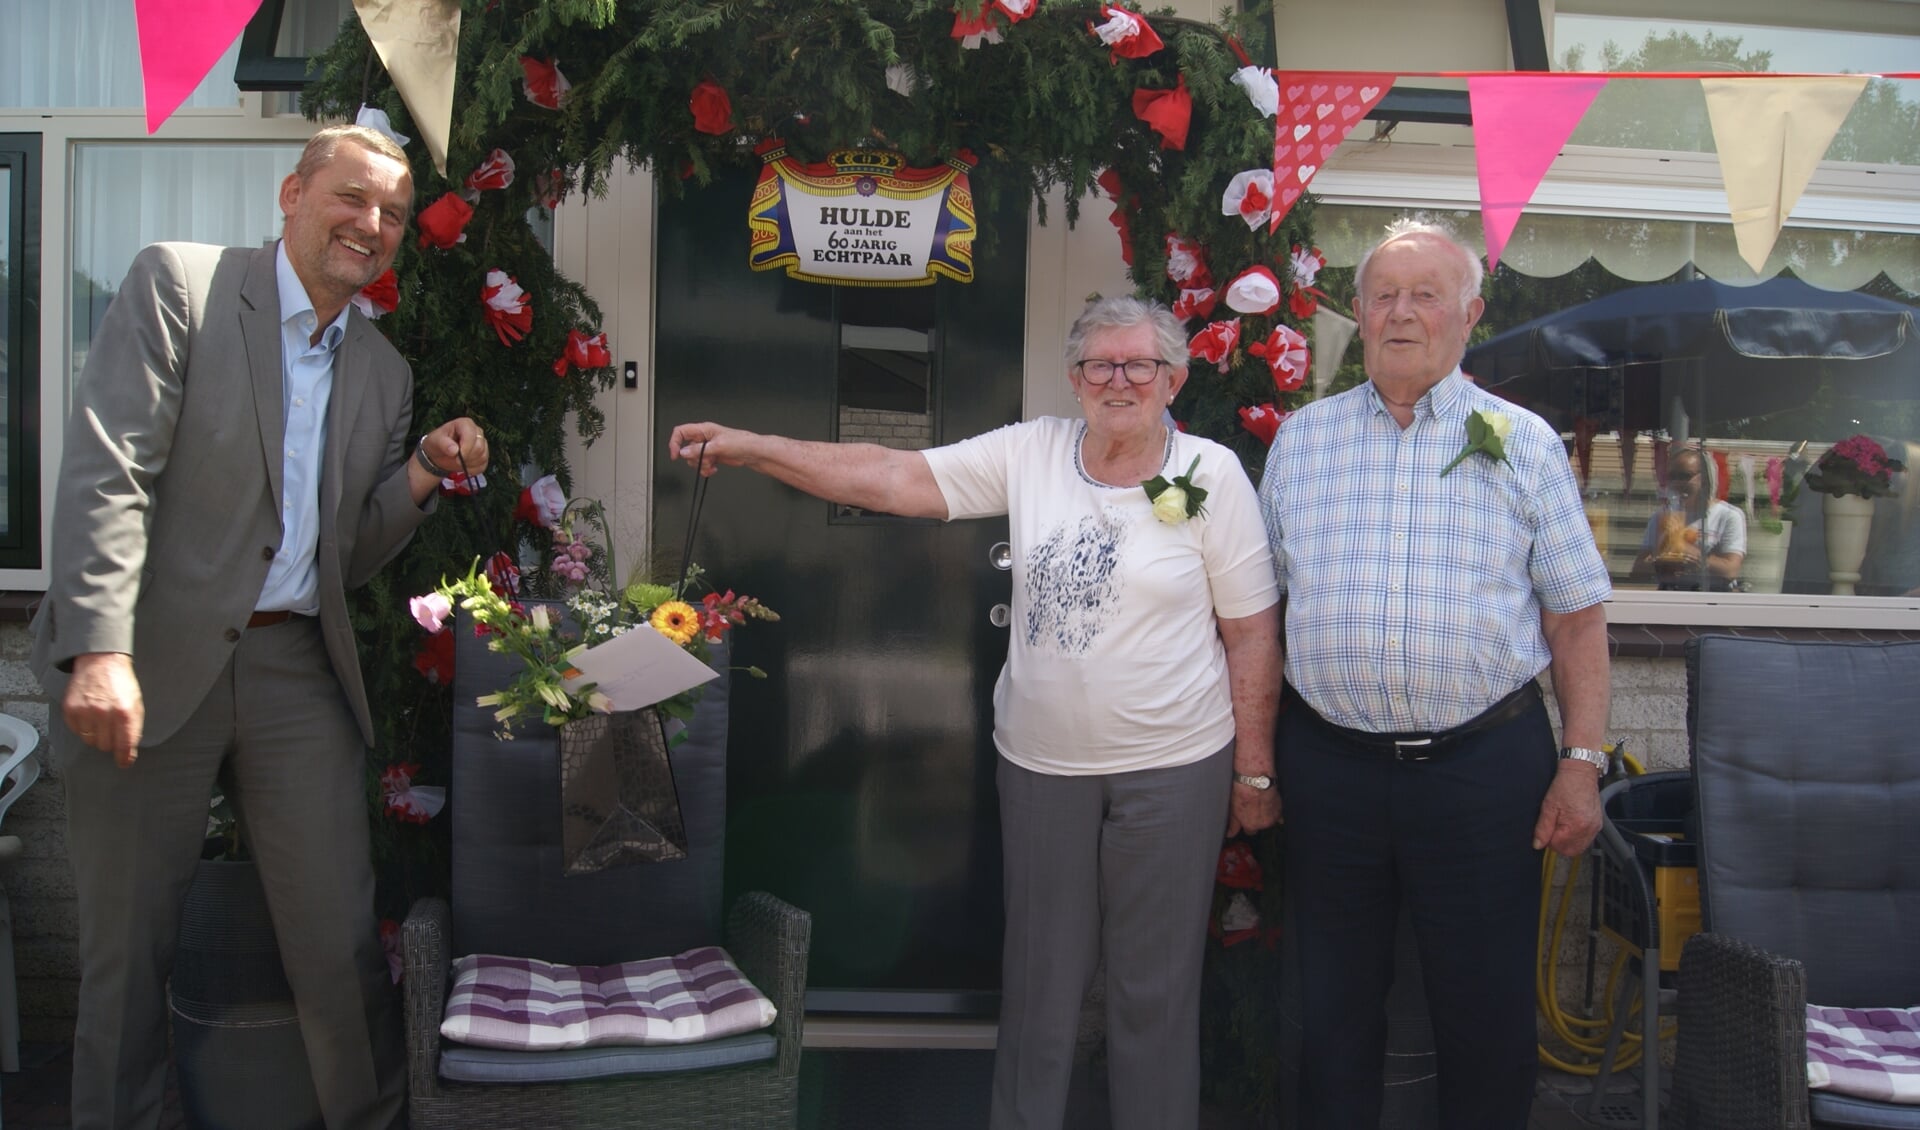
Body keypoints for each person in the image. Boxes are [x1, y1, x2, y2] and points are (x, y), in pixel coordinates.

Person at [669, 295, 1280, 1130]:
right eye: (1100, 364)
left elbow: (1250, 634)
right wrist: (756, 449)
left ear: (1172, 379)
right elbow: (892, 477)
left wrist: (1253, 769)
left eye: (1140, 364)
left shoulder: (1211, 476)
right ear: (1074, 379)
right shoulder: (1031, 452)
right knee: (1039, 986)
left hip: (1175, 768)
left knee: (1155, 991)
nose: (1119, 380)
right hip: (1043, 768)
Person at [31, 123, 489, 1129]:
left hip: (291, 667)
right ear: (292, 193)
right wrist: (99, 647)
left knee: (334, 939)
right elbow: (110, 471)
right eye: (351, 198)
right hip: (148, 656)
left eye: (393, 216)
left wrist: (419, 474)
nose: (371, 225)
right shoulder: (183, 287)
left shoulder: (382, 373)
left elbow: (346, 552)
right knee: (127, 953)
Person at [1258, 220, 1612, 1130]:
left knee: (1486, 1014)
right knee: (1330, 1009)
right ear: (1360, 313)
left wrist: (1582, 763)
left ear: (1469, 314)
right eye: (1384, 295)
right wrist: (1255, 763)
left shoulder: (1522, 442)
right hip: (1330, 768)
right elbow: (1258, 618)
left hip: (1482, 770)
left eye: (1425, 295)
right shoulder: (1302, 443)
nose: (1402, 313)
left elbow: (1576, 618)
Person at [1630, 446, 1746, 591]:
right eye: (1672, 476)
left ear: (1703, 478)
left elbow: (1731, 570)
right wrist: (1658, 562)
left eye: (1685, 476)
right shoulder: (1662, 516)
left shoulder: (1728, 515)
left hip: (1712, 598)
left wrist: (1692, 554)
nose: (1678, 483)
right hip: (1671, 596)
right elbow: (1636, 570)